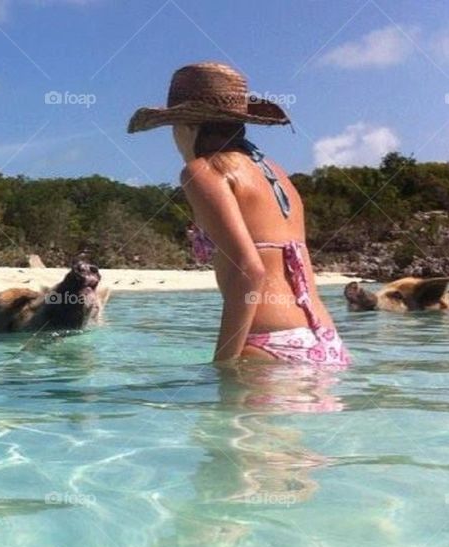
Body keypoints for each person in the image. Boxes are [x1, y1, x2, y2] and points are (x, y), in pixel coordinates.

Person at [128, 62, 350, 365]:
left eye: (174, 127)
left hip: (272, 344)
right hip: (326, 343)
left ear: (187, 127)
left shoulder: (203, 171)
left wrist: (223, 362)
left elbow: (249, 270)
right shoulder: (277, 174)